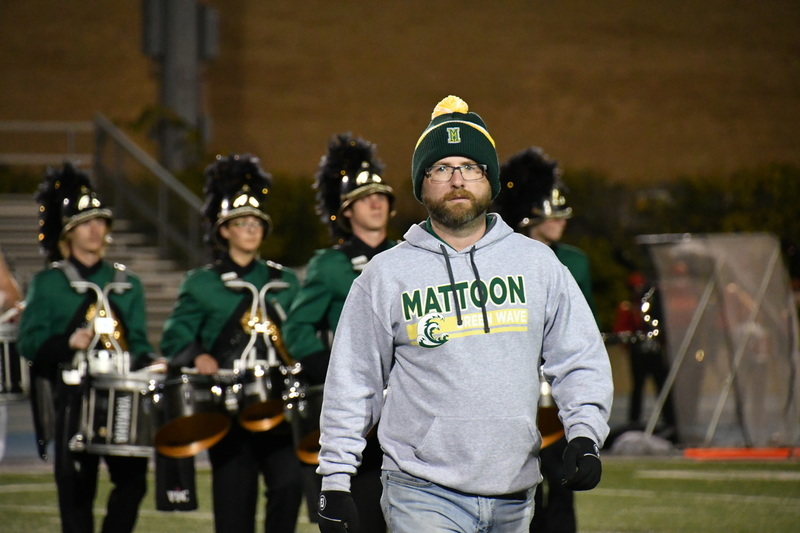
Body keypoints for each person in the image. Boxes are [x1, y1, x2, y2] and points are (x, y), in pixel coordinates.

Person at [315, 95, 613, 533]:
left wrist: (585, 433)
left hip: (515, 490)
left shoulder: (538, 264)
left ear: (489, 179)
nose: (457, 180)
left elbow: (580, 356)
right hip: (420, 488)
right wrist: (336, 478)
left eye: (470, 167)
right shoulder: (386, 274)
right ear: (422, 184)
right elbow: (353, 381)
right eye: (441, 168)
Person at [159, 154, 303, 533]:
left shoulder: (285, 281)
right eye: (241, 223)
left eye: (256, 222)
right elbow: (174, 337)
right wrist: (198, 355)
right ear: (224, 230)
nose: (251, 229)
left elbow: (301, 335)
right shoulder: (202, 283)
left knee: (289, 485)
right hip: (227, 408)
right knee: (234, 508)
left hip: (278, 405)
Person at [17, 162, 157, 533]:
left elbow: (139, 342)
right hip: (73, 398)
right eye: (84, 223)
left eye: (99, 222)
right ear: (68, 232)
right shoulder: (48, 283)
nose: (95, 230)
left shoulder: (128, 283)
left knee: (133, 483)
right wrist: (67, 343)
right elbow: (29, 342)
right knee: (76, 491)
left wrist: (151, 363)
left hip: (121, 397)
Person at [282, 133, 396, 531]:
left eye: (381, 196)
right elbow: (297, 328)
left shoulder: (410, 257)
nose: (377, 203)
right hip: (361, 405)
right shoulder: (330, 265)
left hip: (406, 401)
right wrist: (335, 374)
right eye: (365, 198)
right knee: (363, 511)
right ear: (346, 210)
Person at [493, 146, 598, 533]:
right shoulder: (506, 260)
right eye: (550, 212)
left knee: (564, 475)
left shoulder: (575, 261)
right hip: (517, 381)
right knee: (525, 479)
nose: (559, 220)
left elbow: (584, 328)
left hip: (556, 383)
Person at [612, 271, 677, 435]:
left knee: (662, 385)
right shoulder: (629, 308)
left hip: (655, 353)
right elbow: (621, 330)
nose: (637, 292)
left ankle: (670, 420)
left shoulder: (654, 308)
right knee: (638, 387)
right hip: (638, 353)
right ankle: (634, 420)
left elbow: (663, 329)